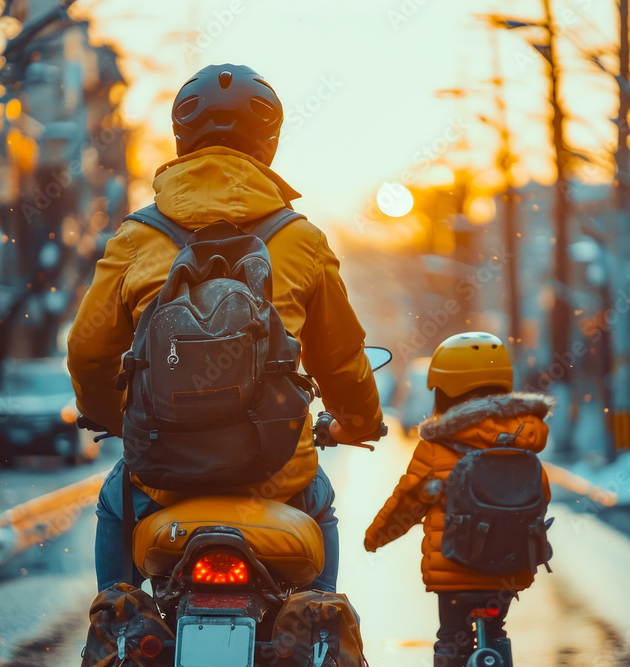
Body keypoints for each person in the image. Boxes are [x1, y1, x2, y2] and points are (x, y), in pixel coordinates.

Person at [68, 63, 382, 593]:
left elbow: (87, 349)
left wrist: (110, 415)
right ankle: (320, 626)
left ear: (181, 138)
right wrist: (357, 421)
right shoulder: (303, 240)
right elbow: (341, 358)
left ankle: (117, 627)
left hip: (162, 477)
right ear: (270, 143)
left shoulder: (135, 238)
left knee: (114, 502)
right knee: (321, 503)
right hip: (277, 477)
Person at [363, 332, 554, 667]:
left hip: (454, 569)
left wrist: (377, 536)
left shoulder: (437, 444)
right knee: (496, 629)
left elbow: (408, 502)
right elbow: (541, 497)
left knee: (452, 638)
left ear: (444, 389)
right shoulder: (525, 439)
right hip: (509, 568)